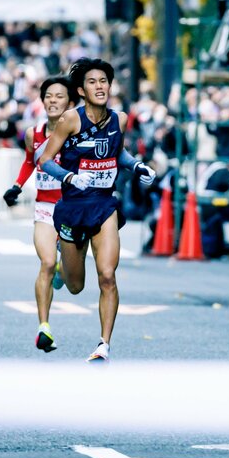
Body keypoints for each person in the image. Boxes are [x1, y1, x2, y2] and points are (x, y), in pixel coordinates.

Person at [38, 57, 155, 362]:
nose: (99, 86)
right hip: (74, 207)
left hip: (104, 205)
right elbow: (45, 160)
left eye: (104, 81)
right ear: (81, 89)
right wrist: (70, 176)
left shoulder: (121, 119)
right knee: (76, 286)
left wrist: (137, 165)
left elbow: (119, 153)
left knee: (107, 276)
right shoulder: (70, 121)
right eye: (92, 82)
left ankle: (104, 343)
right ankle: (63, 267)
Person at [2, 75, 75, 353]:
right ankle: (43, 326)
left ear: (70, 101)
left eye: (59, 96)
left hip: (72, 208)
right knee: (45, 262)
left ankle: (62, 271)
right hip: (45, 207)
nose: (53, 101)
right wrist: (17, 186)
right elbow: (30, 162)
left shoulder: (77, 131)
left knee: (70, 278)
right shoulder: (35, 133)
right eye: (48, 96)